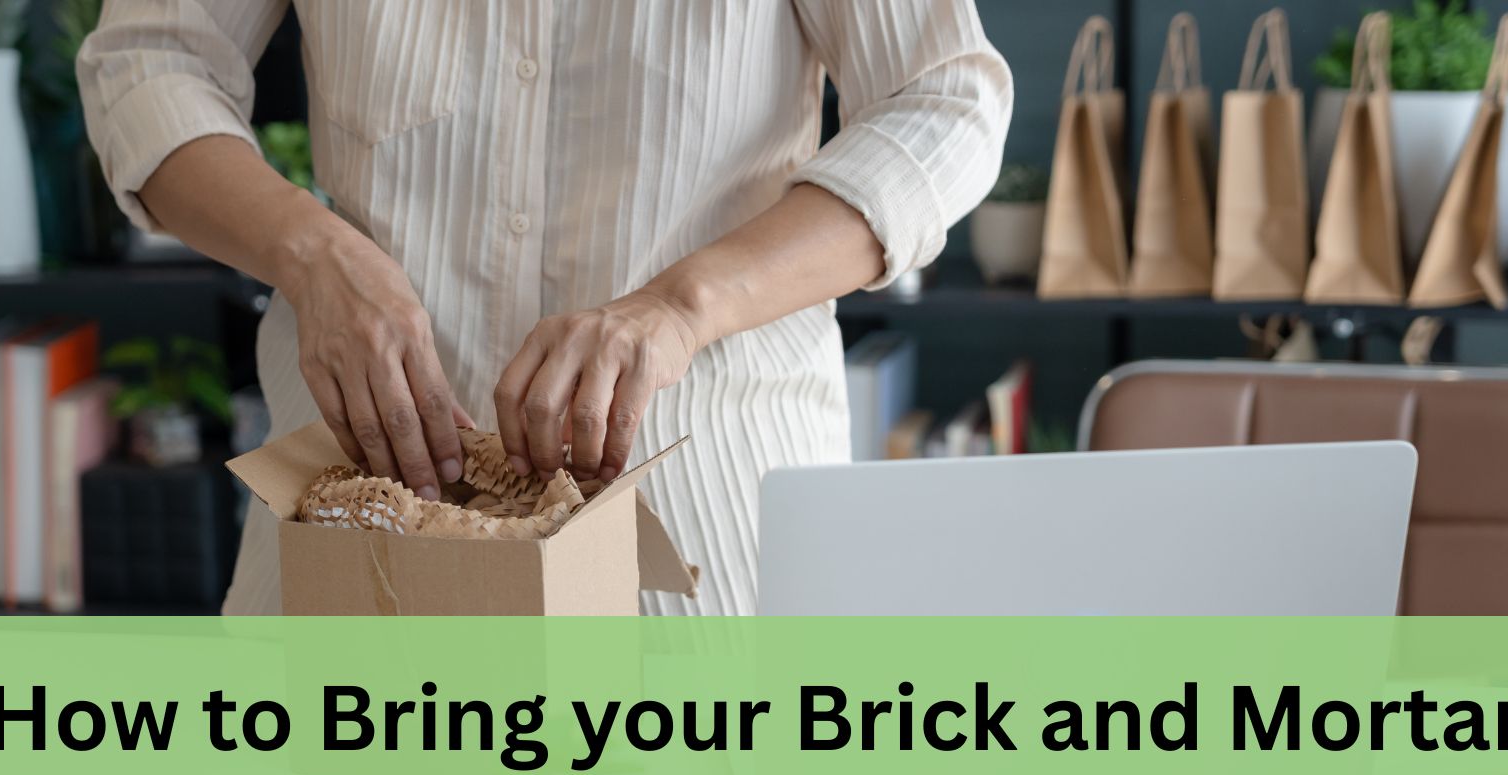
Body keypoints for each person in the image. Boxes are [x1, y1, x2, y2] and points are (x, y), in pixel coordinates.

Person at [79, 1, 1011, 615]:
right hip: (356, 553)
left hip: (705, 544)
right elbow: (149, 61)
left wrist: (684, 306)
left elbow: (945, 101)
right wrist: (309, 251)